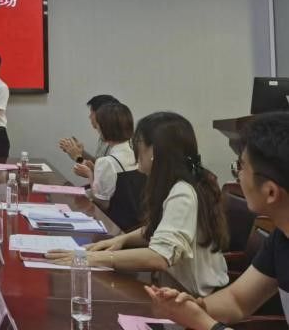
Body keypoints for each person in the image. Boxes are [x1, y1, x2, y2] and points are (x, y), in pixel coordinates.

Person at [47, 111, 229, 297]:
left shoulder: (183, 192)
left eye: (139, 143)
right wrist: (121, 240)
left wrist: (91, 258)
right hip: (172, 289)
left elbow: (159, 256)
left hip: (196, 298)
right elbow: (159, 228)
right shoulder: (175, 184)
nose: (135, 149)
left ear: (154, 151)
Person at [146, 112, 289, 329]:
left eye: (240, 167)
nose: (237, 176)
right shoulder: (282, 236)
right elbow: (237, 301)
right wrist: (192, 306)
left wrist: (204, 323)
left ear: (270, 192)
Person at [73, 102, 136, 209]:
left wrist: (90, 175)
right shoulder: (136, 154)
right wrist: (95, 170)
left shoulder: (107, 162)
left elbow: (102, 204)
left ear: (105, 128)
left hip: (115, 217)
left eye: (98, 125)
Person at [59, 94, 119, 164]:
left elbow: (102, 170)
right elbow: (98, 163)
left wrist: (77, 158)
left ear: (101, 115)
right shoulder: (104, 136)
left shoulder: (118, 141)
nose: (89, 117)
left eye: (92, 113)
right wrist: (80, 152)